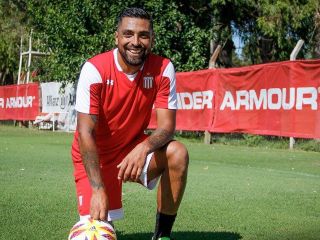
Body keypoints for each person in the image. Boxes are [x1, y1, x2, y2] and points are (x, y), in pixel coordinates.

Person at [71, 7, 189, 240]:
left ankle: (162, 236)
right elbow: (86, 133)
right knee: (94, 235)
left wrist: (144, 148)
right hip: (96, 157)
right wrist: (97, 189)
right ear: (116, 37)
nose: (135, 42)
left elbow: (166, 127)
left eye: (143, 35)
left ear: (152, 39)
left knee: (178, 153)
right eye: (128, 34)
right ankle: (100, 214)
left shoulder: (164, 69)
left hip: (133, 149)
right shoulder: (94, 69)